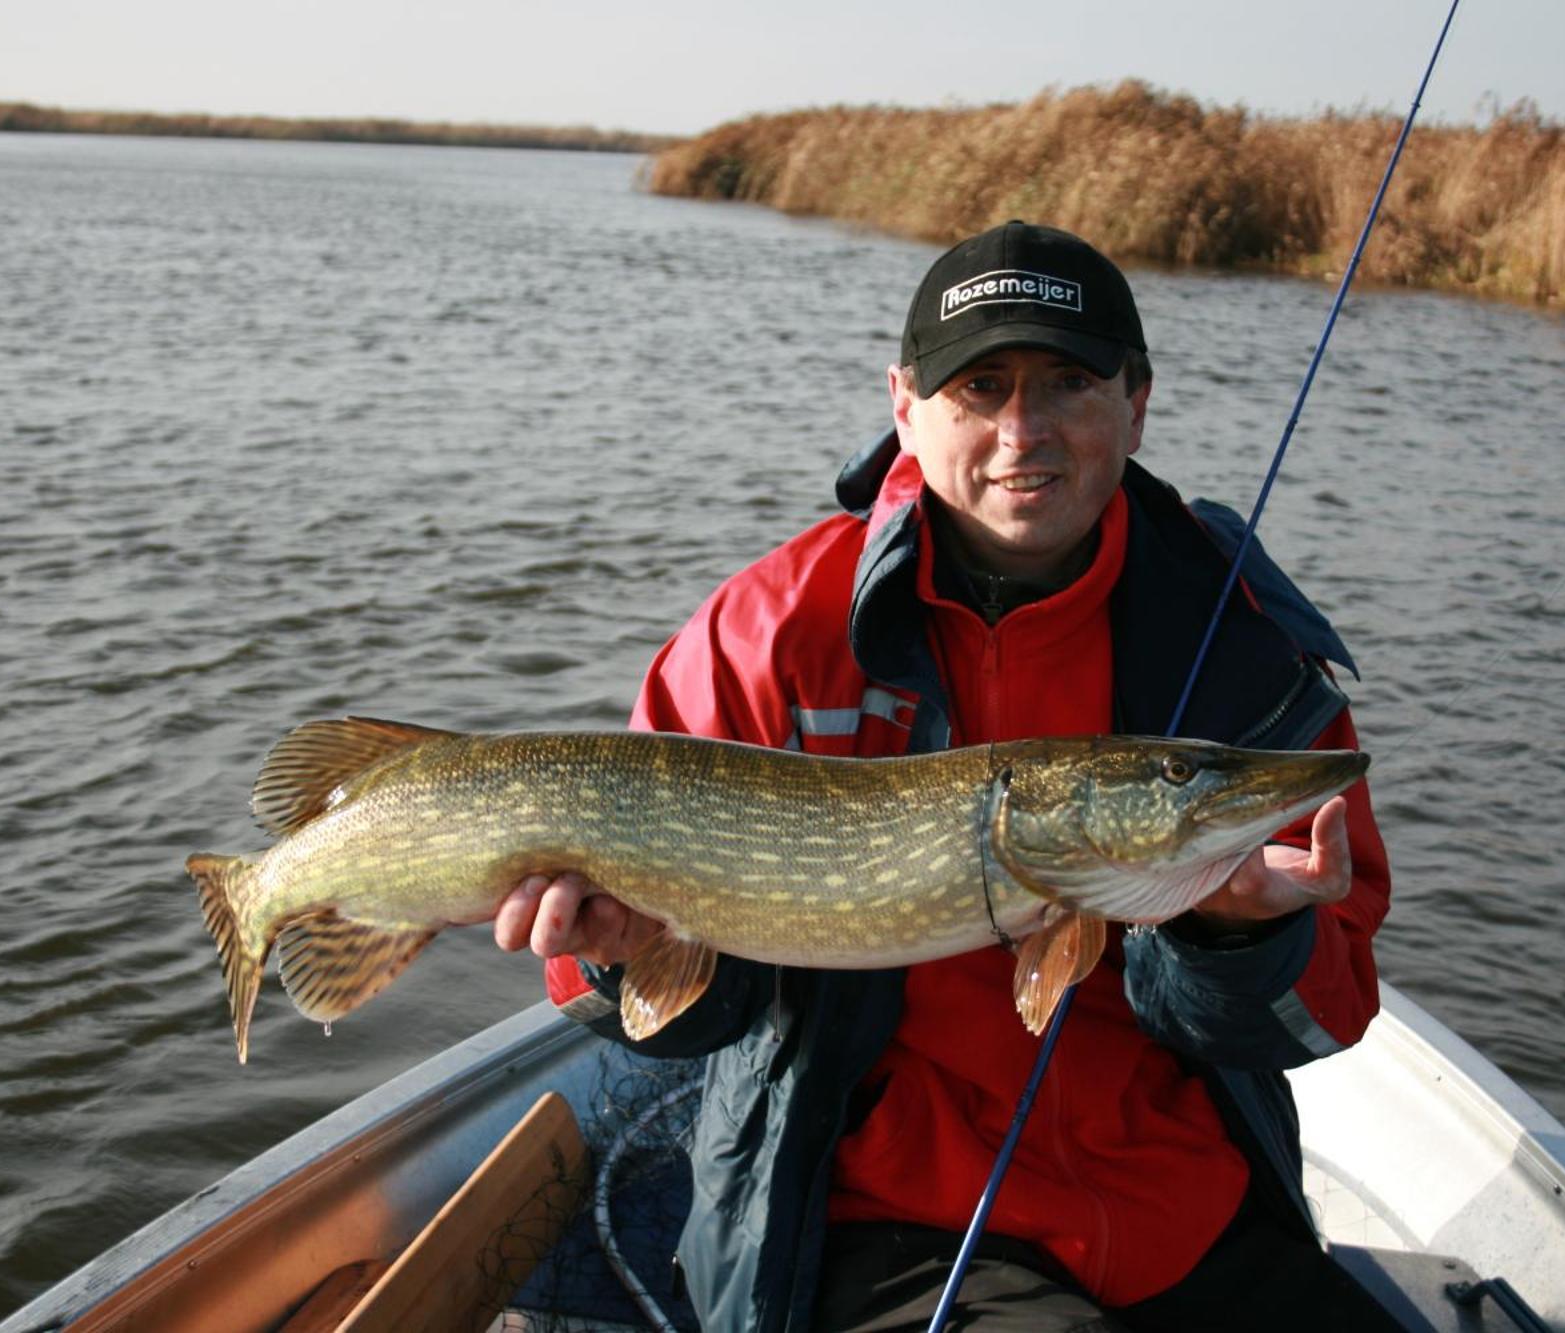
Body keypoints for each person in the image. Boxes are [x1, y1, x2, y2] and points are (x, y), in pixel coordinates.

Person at [492, 221, 1395, 1332]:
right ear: (904, 406)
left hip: (1185, 1206)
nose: (1024, 431)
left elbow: (1325, 1011)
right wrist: (614, 958)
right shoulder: (769, 636)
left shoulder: (1247, 655)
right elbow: (688, 1014)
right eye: (979, 387)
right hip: (882, 1207)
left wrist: (1233, 936)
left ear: (1137, 399)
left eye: (1069, 381)